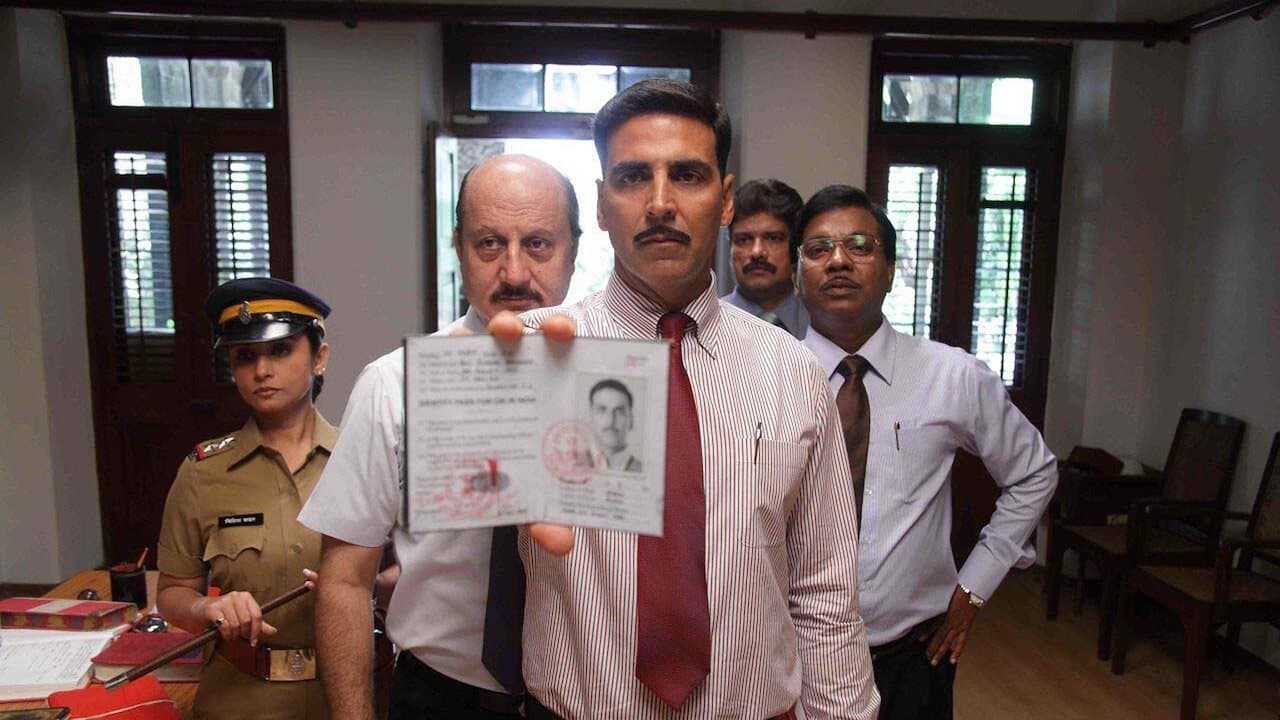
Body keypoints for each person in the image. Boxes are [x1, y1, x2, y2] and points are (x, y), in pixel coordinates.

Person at [503, 79, 878, 719]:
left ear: (726, 200)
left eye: (687, 175)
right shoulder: (534, 358)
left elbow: (825, 595)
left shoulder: (791, 371)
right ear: (601, 204)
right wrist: (473, 395)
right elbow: (446, 485)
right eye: (631, 177)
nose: (659, 203)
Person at [298, 154, 581, 720]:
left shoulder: (617, 386)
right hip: (440, 697)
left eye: (538, 244)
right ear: (458, 247)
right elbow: (345, 581)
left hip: (583, 697)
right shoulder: (395, 383)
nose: (515, 272)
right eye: (489, 244)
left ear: (574, 249)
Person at [795, 184, 1058, 720]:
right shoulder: (765, 379)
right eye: (818, 249)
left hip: (913, 660)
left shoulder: (952, 375)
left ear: (891, 270)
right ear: (798, 274)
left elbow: (1034, 473)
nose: (838, 260)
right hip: (792, 660)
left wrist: (976, 586)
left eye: (860, 245)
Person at [156, 277, 334, 720]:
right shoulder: (203, 473)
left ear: (319, 358)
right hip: (241, 700)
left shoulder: (364, 459)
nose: (261, 370)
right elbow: (173, 594)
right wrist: (209, 607)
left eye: (280, 350)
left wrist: (361, 584)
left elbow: (407, 575)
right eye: (245, 356)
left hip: (347, 694)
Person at [721, 178, 808, 339]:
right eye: (744, 240)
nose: (757, 252)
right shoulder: (702, 324)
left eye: (773, 238)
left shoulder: (826, 325)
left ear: (796, 247)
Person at [587, 378, 642, 472]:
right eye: (602, 410)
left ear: (631, 420)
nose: (610, 420)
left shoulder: (644, 470)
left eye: (619, 411)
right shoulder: (574, 469)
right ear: (590, 419)